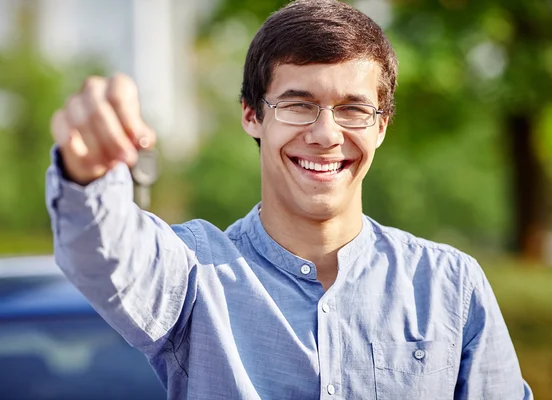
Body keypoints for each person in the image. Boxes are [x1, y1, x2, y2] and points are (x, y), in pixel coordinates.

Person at [45, 0, 532, 398]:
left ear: (381, 126)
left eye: (353, 109)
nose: (325, 134)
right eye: (299, 105)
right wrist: (86, 173)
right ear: (252, 116)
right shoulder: (192, 274)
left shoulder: (450, 286)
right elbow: (103, 251)